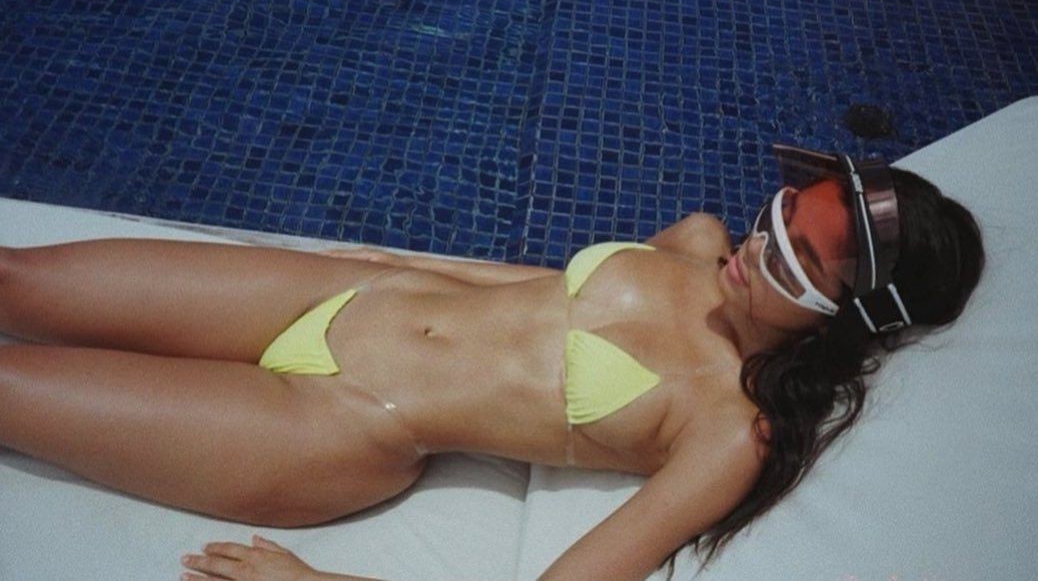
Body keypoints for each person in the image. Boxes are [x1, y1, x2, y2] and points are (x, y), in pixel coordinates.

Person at [0, 147, 984, 581]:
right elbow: (536, 296)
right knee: (17, 278)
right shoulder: (697, 246)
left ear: (841, 323)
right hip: (343, 295)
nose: (758, 239)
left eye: (794, 260)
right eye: (782, 207)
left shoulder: (729, 433)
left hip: (333, 422)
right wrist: (388, 266)